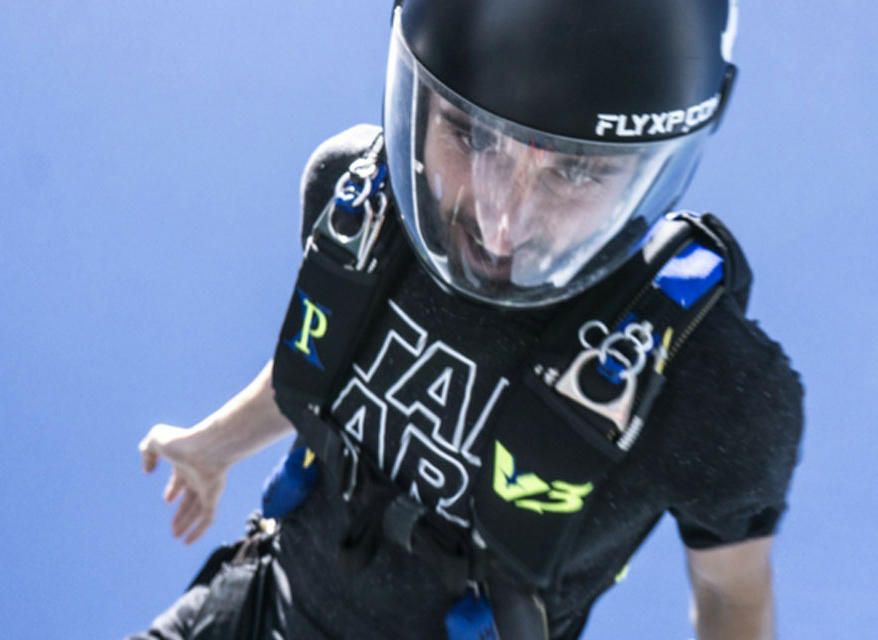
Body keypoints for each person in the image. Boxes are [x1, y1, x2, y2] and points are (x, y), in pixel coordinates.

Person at [130, 1, 802, 639]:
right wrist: (212, 445)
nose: (498, 225)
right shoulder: (361, 205)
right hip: (243, 612)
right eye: (470, 133)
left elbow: (730, 593)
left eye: (575, 173)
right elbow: (331, 355)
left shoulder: (714, 388)